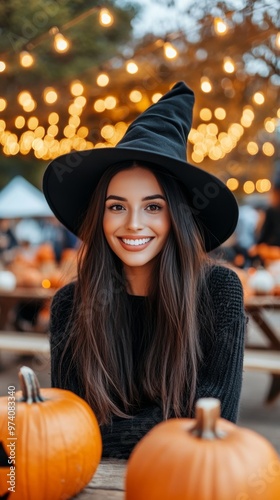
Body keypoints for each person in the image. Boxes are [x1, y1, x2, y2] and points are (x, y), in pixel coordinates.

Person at [43, 82, 246, 459]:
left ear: (177, 217)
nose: (133, 223)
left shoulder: (218, 291)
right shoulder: (71, 305)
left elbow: (213, 423)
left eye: (153, 207)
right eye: (116, 206)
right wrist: (167, 423)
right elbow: (66, 426)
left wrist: (103, 434)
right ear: (99, 217)